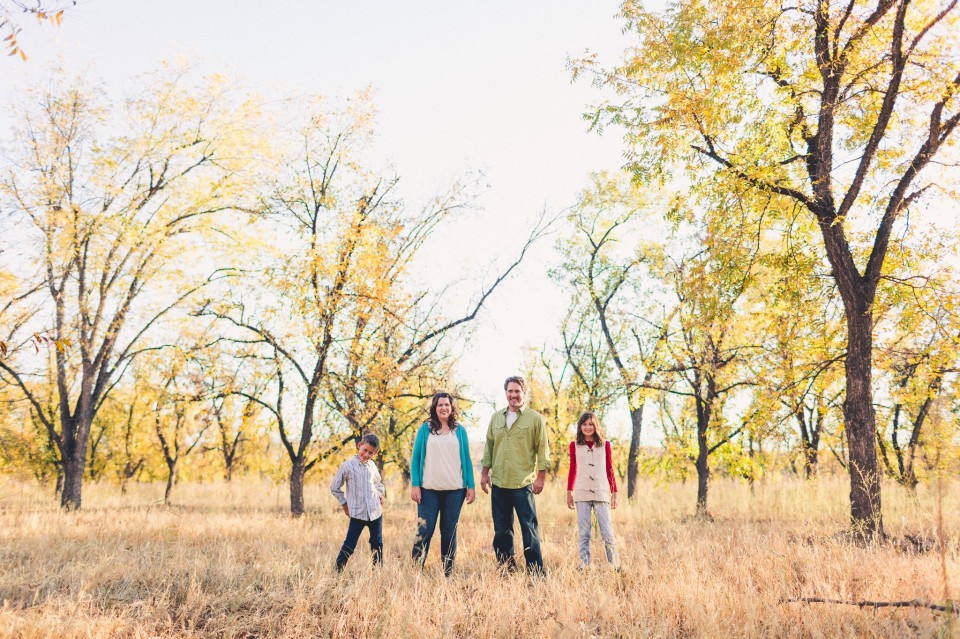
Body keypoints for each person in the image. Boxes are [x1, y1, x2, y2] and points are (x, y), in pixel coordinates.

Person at [480, 375, 550, 574]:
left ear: (524, 393)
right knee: (501, 530)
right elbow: (489, 446)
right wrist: (484, 473)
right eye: (510, 391)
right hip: (499, 482)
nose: (513, 395)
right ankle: (506, 568)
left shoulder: (535, 419)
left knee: (529, 528)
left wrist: (541, 477)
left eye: (517, 391)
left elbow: (542, 449)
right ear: (506, 393)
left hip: (523, 483)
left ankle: (535, 571)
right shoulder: (496, 418)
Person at [409, 392, 476, 576]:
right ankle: (416, 571)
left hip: (455, 490)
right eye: (440, 405)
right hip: (428, 490)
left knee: (449, 532)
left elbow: (466, 460)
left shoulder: (459, 430)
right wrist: (415, 484)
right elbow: (415, 459)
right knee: (425, 530)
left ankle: (447, 573)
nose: (444, 408)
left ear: (452, 408)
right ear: (435, 408)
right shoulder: (425, 429)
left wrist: (471, 486)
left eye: (447, 404)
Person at [566, 412, 620, 569]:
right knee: (584, 533)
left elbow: (610, 469)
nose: (588, 427)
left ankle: (615, 565)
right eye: (584, 424)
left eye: (591, 424)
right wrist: (569, 492)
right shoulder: (574, 445)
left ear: (596, 426)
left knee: (607, 532)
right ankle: (584, 566)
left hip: (601, 492)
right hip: (581, 492)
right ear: (580, 427)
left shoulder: (606, 445)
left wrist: (614, 493)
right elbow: (572, 469)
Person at [330, 433, 385, 572]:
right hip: (357, 514)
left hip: (375, 512)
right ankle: (337, 572)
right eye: (365, 450)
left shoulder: (372, 466)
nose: (366, 454)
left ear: (375, 453)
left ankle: (378, 573)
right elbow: (334, 487)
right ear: (359, 445)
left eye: (370, 453)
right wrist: (344, 504)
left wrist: (380, 494)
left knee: (377, 544)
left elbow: (378, 483)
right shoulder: (347, 466)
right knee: (349, 545)